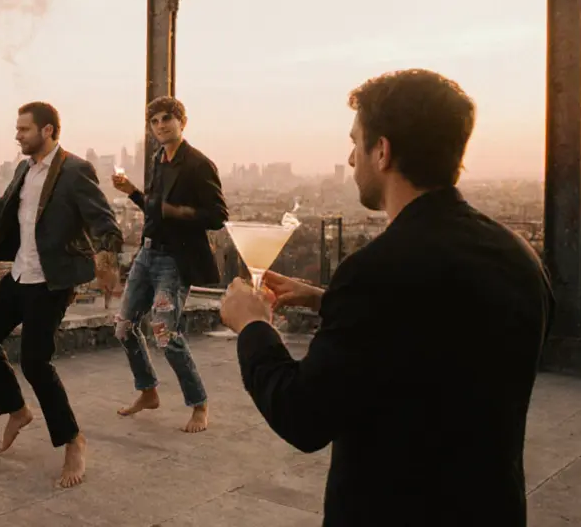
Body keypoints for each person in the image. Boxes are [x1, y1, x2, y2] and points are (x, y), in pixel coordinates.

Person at [219, 69, 554, 527]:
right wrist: (326, 300)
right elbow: (440, 333)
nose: (351, 157)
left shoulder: (378, 270)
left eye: (356, 142)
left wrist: (252, 326)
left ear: (383, 151)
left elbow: (302, 415)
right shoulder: (516, 253)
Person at [0, 101, 123, 489]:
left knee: (36, 363)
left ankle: (73, 440)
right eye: (18, 129)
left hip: (52, 281)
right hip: (21, 273)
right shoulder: (24, 169)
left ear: (49, 131)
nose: (17, 135)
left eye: (24, 130)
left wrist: (106, 262)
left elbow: (104, 222)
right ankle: (17, 410)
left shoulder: (74, 171)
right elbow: (2, 209)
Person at [111, 95, 228, 433]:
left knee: (165, 334)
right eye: (155, 121)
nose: (161, 125)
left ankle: (199, 404)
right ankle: (147, 391)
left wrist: (177, 212)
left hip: (175, 260)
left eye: (167, 118)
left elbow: (218, 216)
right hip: (147, 254)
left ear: (182, 122)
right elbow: (153, 207)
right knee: (123, 327)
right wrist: (132, 192)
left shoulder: (198, 164)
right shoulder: (158, 159)